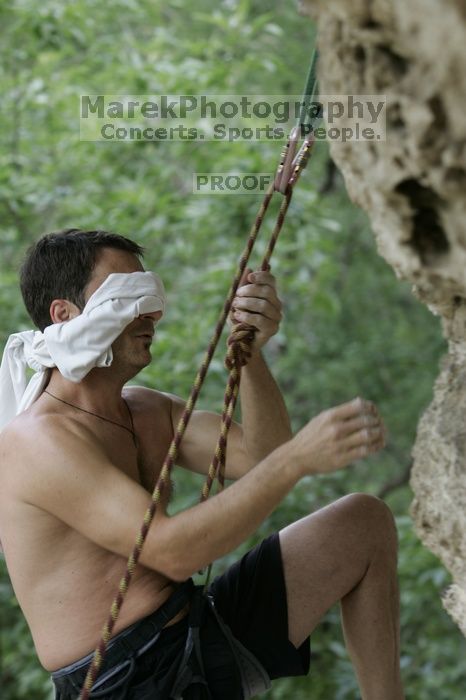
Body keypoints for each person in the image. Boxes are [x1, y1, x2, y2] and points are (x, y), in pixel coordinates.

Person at [0, 228, 405, 699]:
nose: (150, 312)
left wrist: (249, 353)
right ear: (63, 315)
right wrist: (296, 460)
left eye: (151, 294)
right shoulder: (37, 442)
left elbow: (261, 456)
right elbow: (172, 551)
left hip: (199, 625)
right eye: (126, 297)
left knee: (362, 523)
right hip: (119, 683)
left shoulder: (149, 410)